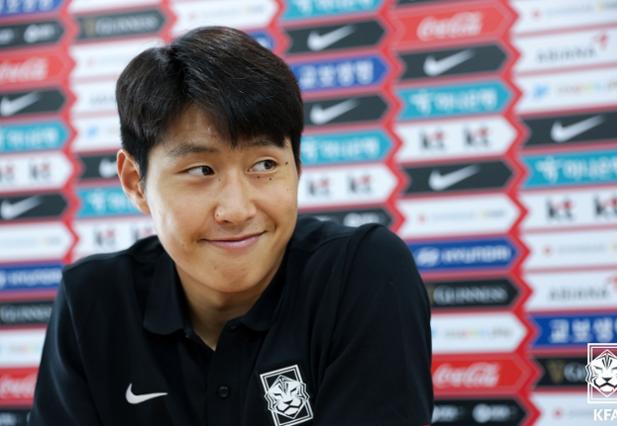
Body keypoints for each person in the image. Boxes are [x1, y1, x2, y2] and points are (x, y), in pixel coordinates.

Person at [30, 26, 433, 426]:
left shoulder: (361, 273)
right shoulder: (93, 301)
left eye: (265, 165)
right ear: (136, 182)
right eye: (201, 170)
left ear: (297, 166)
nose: (237, 210)